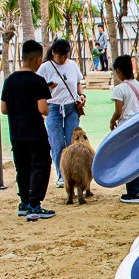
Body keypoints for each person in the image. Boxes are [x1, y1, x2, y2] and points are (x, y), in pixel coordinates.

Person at [1, 40, 55, 221]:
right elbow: (43, 109)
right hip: (35, 132)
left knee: (22, 167)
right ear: (38, 59)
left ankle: (24, 202)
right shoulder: (38, 81)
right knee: (41, 165)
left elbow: (4, 109)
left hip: (16, 132)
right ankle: (35, 204)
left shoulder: (9, 81)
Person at [37, 38, 85, 188]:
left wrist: (82, 96)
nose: (63, 59)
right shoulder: (45, 67)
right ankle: (62, 175)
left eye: (65, 56)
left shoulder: (72, 65)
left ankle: (74, 174)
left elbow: (78, 83)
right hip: (53, 108)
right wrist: (49, 87)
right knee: (58, 143)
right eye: (60, 56)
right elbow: (38, 88)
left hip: (71, 107)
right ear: (53, 53)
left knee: (73, 142)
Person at [108, 54, 139, 203]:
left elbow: (119, 111)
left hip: (126, 128)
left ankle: (135, 192)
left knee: (128, 159)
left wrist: (112, 120)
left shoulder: (119, 89)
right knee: (138, 157)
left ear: (119, 71)